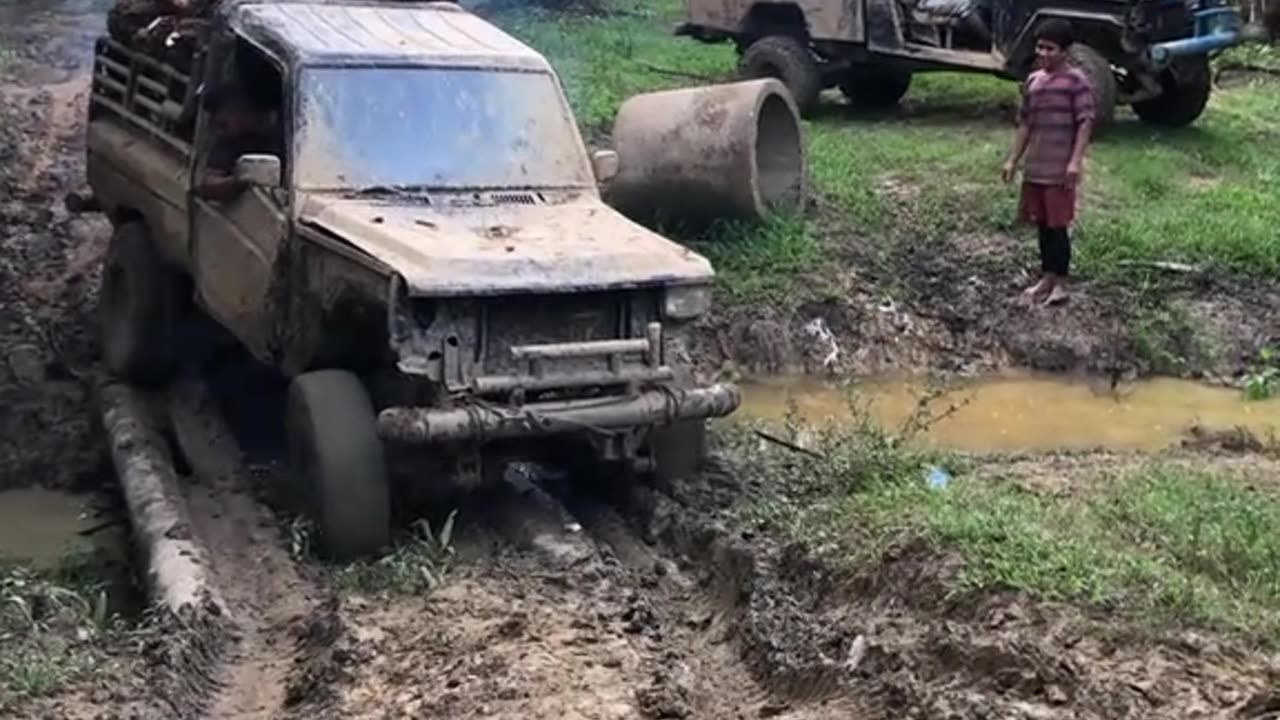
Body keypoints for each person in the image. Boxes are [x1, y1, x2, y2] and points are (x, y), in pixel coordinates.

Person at [1001, 19, 1095, 306]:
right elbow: (1025, 124)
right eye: (1040, 47)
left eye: (1050, 48)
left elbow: (1085, 122)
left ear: (1065, 51)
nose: (1043, 53)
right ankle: (1046, 277)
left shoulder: (1077, 81)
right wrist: (1013, 160)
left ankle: (1061, 283)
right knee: (1042, 224)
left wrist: (1075, 162)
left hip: (1060, 168)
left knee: (1058, 225)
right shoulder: (1033, 81)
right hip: (1037, 166)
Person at [195, 85, 282, 202]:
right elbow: (209, 182)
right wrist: (238, 180)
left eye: (223, 124)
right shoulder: (231, 140)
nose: (219, 131)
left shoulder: (295, 134)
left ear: (242, 108)